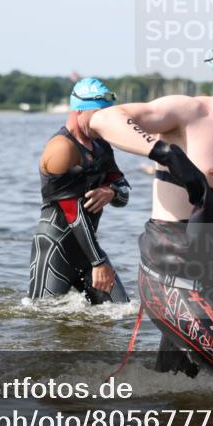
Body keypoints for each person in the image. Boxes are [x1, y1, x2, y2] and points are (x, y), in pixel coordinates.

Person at [89, 29, 213, 377]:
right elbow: (103, 119)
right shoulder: (188, 112)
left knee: (185, 386)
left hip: (212, 282)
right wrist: (165, 153)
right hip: (166, 274)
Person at [28, 78, 131, 305]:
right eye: (99, 116)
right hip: (55, 247)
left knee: (122, 312)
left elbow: (124, 192)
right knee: (44, 322)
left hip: (87, 247)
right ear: (78, 112)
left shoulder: (102, 145)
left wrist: (111, 192)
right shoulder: (61, 149)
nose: (104, 123)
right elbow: (72, 213)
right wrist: (98, 262)